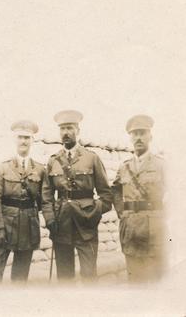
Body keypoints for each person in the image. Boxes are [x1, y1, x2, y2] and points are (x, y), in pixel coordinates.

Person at [42, 110, 112, 281]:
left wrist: (93, 212)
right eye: (62, 129)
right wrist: (50, 219)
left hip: (86, 224)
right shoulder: (53, 161)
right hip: (61, 223)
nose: (66, 132)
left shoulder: (91, 158)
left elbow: (106, 196)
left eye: (70, 128)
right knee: (64, 276)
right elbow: (46, 195)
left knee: (89, 275)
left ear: (78, 130)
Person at [0, 120, 45, 283]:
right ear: (14, 140)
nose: (23, 141)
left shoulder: (39, 169)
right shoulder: (2, 168)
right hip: (6, 225)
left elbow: (45, 200)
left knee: (20, 276)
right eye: (20, 137)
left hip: (28, 227)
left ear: (32, 140)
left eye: (27, 138)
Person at [112, 115, 166, 283]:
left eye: (142, 133)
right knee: (134, 279)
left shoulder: (161, 165)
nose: (138, 138)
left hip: (153, 231)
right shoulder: (124, 166)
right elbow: (115, 189)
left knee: (155, 280)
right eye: (134, 134)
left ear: (150, 136)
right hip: (131, 230)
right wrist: (122, 213)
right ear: (130, 138)